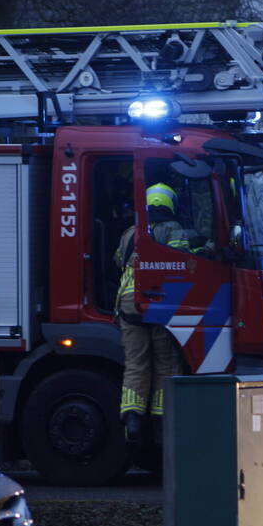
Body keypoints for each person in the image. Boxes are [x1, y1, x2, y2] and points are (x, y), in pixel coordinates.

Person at [114, 181, 194, 442]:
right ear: (170, 203)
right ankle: (161, 421)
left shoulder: (131, 232)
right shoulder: (175, 230)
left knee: (135, 364)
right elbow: (182, 260)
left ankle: (132, 420)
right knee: (165, 363)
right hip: (159, 303)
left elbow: (118, 261)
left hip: (129, 304)